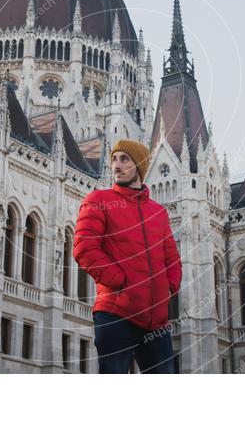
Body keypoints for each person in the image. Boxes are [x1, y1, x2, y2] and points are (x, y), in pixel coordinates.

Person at [73, 139, 182, 373]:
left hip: (156, 323)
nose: (117, 165)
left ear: (140, 166)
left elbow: (172, 259)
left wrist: (169, 288)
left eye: (124, 159)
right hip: (115, 314)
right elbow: (84, 247)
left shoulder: (158, 212)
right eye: (114, 159)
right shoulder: (98, 201)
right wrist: (120, 283)